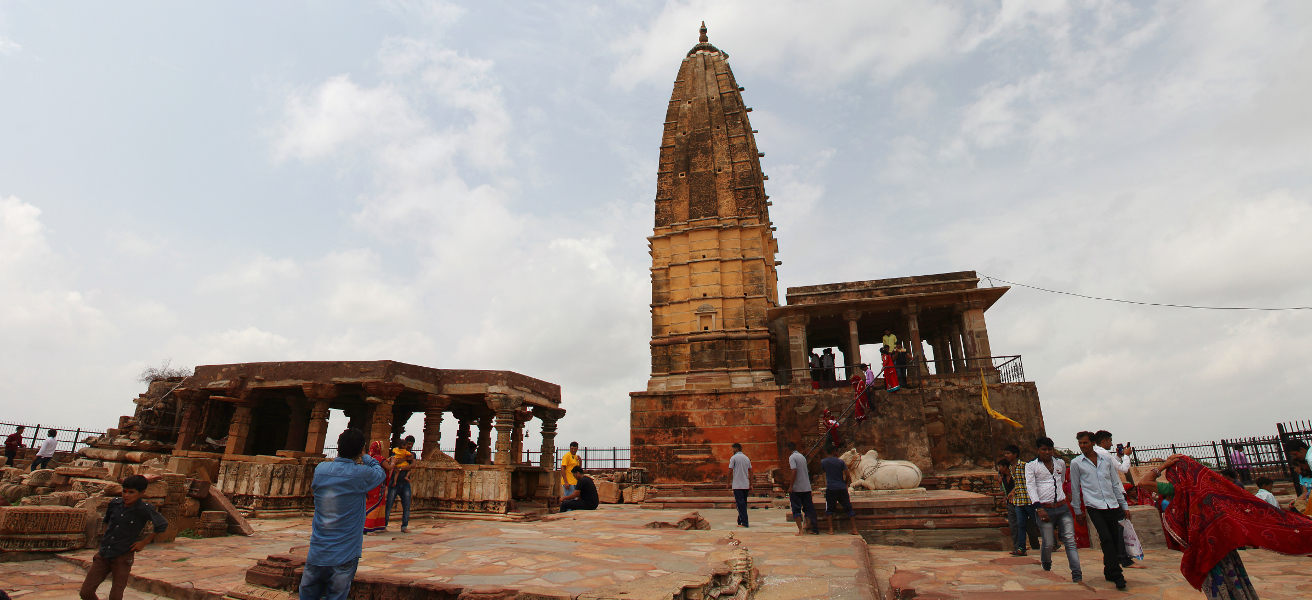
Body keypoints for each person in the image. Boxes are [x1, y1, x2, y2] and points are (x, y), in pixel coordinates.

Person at [1137, 454, 1312, 599]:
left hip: (1203, 544)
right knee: (1234, 577)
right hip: (1222, 543)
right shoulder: (1210, 486)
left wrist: (1162, 466)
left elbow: (1144, 482)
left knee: (1216, 580)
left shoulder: (1177, 489)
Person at [300, 428, 387, 600]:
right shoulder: (361, 474)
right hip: (345, 553)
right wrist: (366, 456)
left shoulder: (321, 470)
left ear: (338, 446)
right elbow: (380, 474)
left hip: (318, 551)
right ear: (360, 449)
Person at [78, 474, 168, 600]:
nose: (126, 495)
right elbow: (107, 520)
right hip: (104, 554)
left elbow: (162, 524)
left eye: (131, 492)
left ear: (142, 492)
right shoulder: (114, 503)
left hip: (123, 555)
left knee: (116, 594)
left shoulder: (144, 509)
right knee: (86, 592)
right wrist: (106, 536)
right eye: (124, 491)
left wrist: (143, 543)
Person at [1069, 431, 1128, 590]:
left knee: (1114, 539)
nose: (1082, 446)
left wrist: (1124, 505)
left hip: (1112, 504)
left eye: (1085, 443)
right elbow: (1075, 488)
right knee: (1106, 538)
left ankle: (1108, 569)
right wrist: (1077, 510)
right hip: (1093, 506)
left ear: (1093, 443)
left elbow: (1115, 483)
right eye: (1080, 443)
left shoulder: (1106, 459)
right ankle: (1117, 574)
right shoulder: (1076, 463)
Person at [1025, 436, 1082, 583]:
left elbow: (1061, 481)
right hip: (1044, 508)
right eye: (1044, 449)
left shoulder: (1060, 463)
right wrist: (1038, 508)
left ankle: (1077, 573)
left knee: (1069, 540)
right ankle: (1046, 564)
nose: (1047, 452)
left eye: (1049, 449)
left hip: (1062, 507)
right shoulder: (1031, 466)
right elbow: (1031, 487)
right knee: (1049, 542)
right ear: (1037, 450)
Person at [1093, 430, 1134, 568]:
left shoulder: (1097, 454)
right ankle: (1123, 557)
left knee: (1113, 528)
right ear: (1104, 441)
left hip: (1104, 495)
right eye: (1110, 441)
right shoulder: (1104, 454)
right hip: (1114, 494)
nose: (1111, 444)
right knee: (1119, 527)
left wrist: (1118, 456)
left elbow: (1112, 466)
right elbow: (1124, 469)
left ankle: (1116, 556)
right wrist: (1126, 456)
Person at [1002, 444, 1039, 555]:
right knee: (1020, 524)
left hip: (1028, 499)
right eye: (1005, 453)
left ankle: (1052, 542)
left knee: (1038, 522)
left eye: (1008, 453)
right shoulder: (1010, 468)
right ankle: (1021, 548)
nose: (1006, 455)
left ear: (1015, 454)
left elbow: (1031, 481)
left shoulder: (1024, 466)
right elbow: (1018, 483)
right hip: (1019, 500)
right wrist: (1012, 492)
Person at [821, 445, 857, 535]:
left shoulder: (823, 462)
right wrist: (845, 483)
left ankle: (831, 530)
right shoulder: (841, 462)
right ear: (834, 452)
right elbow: (847, 474)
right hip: (841, 487)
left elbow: (825, 471)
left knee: (829, 509)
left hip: (831, 488)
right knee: (848, 508)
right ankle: (855, 529)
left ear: (826, 452)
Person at [784, 441, 819, 535]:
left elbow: (794, 471)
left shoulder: (792, 457)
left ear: (788, 449)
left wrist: (791, 486)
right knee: (809, 508)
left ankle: (800, 530)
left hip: (797, 488)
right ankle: (813, 529)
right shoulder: (802, 457)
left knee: (796, 509)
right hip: (806, 487)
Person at [386, 436, 415, 533]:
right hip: (395, 484)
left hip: (405, 484)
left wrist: (401, 468)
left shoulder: (412, 454)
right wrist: (404, 459)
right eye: (408, 444)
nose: (409, 446)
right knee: (389, 505)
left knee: (406, 506)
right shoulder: (396, 452)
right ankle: (384, 525)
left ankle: (404, 526)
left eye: (411, 444)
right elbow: (394, 460)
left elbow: (413, 465)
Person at [363, 441, 391, 533]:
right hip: (378, 485)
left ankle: (378, 526)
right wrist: (394, 463)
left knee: (378, 504)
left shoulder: (369, 458)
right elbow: (389, 468)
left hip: (370, 484)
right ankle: (368, 527)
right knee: (375, 504)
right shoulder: (379, 458)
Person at [727, 442, 752, 527]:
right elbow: (751, 471)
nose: (732, 451)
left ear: (736, 449)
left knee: (740, 504)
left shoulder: (734, 458)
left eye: (733, 449)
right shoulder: (746, 458)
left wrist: (728, 483)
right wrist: (751, 484)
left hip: (737, 485)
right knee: (743, 503)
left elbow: (730, 471)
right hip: (745, 485)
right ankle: (740, 520)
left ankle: (745, 523)